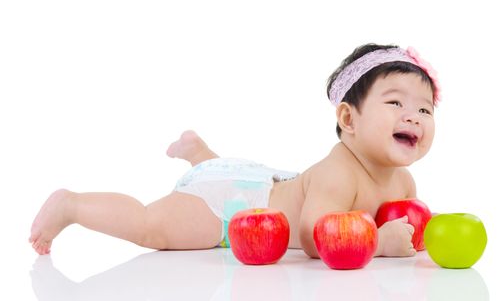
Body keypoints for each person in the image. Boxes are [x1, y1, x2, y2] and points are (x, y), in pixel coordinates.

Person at [30, 43, 440, 259]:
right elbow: (314, 239)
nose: (414, 117)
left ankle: (201, 155)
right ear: (349, 120)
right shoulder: (339, 171)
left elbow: (408, 227)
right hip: (234, 207)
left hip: (258, 179)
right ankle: (72, 206)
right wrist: (380, 245)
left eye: (424, 108)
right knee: (151, 227)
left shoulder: (403, 180)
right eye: (395, 103)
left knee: (219, 173)